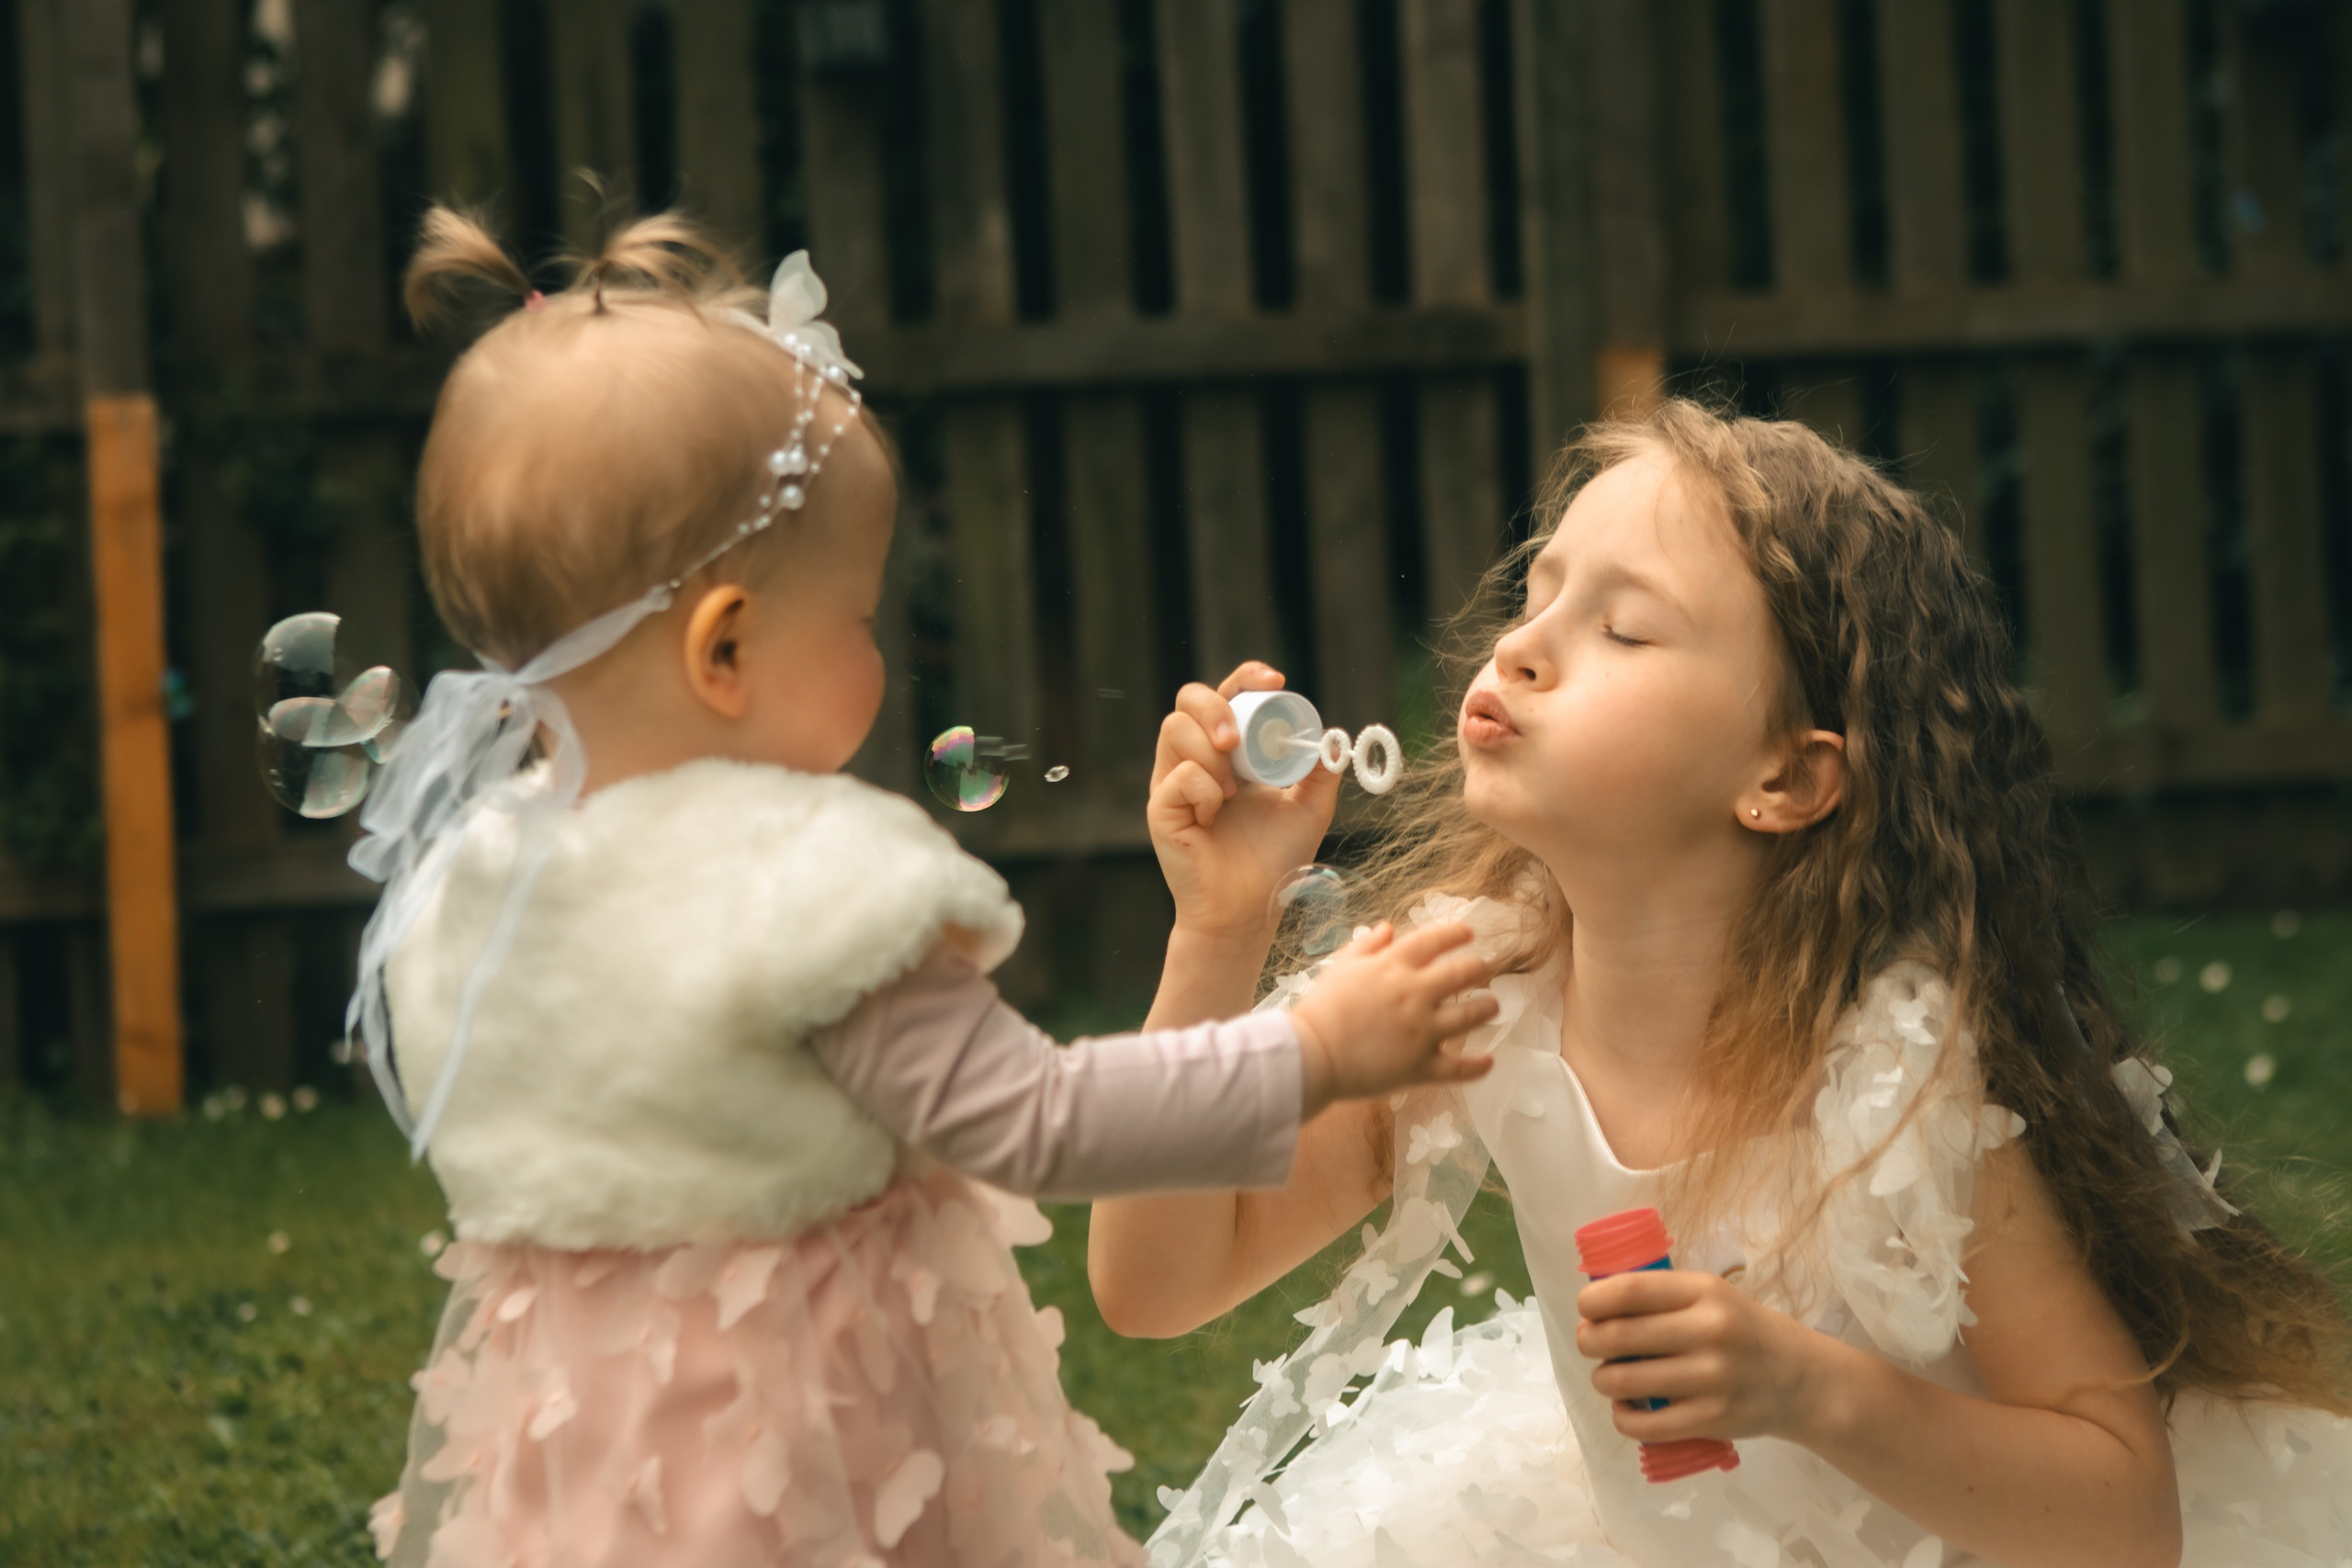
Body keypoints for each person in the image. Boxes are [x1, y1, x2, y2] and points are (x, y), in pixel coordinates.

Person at [357, 205, 1499, 1568]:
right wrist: (1314, 1049)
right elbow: (1041, 1122)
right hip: (789, 1448)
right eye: (854, 620)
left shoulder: (472, 891)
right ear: (726, 649)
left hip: (581, 1442)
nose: (878, 660)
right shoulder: (805, 890)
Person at [1091, 399, 2352, 1568]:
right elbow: (1157, 1282)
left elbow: (2125, 1518)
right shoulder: (1464, 984)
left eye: (1621, 627)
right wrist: (1220, 928)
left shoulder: (1899, 1074)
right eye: (1536, 600)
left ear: (1791, 780)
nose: (1522, 649)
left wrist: (1812, 1392)